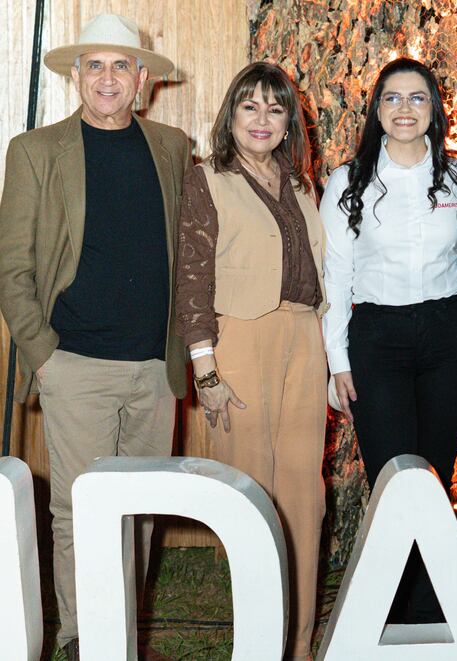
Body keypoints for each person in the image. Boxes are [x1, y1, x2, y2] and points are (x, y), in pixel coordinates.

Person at [0, 14, 188, 661]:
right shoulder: (34, 151)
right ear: (77, 76)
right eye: (95, 66)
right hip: (73, 363)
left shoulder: (172, 147)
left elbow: (189, 256)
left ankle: (123, 640)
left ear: (143, 79)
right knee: (80, 511)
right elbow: (13, 266)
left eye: (121, 66)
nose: (108, 78)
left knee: (140, 509)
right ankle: (86, 639)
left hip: (153, 370)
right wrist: (44, 356)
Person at [175, 61, 326, 661]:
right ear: (230, 115)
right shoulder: (206, 178)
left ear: (290, 120)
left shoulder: (304, 185)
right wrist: (205, 368)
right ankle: (258, 639)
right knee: (249, 492)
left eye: (275, 108)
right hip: (236, 339)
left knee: (303, 495)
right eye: (249, 107)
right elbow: (192, 278)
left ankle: (300, 641)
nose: (262, 120)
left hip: (304, 338)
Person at [321, 57, 457, 623]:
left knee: (434, 470)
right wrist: (337, 360)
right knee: (393, 474)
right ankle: (386, 612)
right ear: (377, 109)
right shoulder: (349, 180)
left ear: (434, 109)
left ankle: (430, 612)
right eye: (393, 98)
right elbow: (335, 279)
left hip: (447, 333)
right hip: (377, 337)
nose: (405, 108)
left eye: (417, 98)